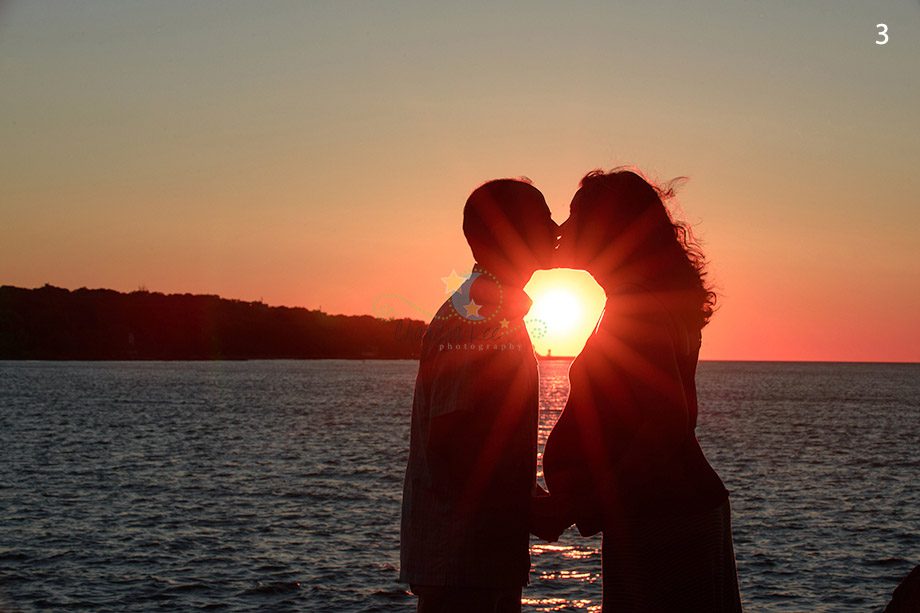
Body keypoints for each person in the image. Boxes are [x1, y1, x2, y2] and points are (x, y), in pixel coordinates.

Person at [539, 168, 743, 611]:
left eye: (576, 217)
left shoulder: (637, 306)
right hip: (672, 511)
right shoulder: (647, 298)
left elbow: (667, 423)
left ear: (606, 230)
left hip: (663, 520)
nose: (564, 227)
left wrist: (583, 502)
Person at [400, 178, 558, 613]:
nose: (556, 227)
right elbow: (452, 440)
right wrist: (529, 507)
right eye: (544, 218)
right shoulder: (479, 317)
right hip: (464, 567)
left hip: (477, 562)